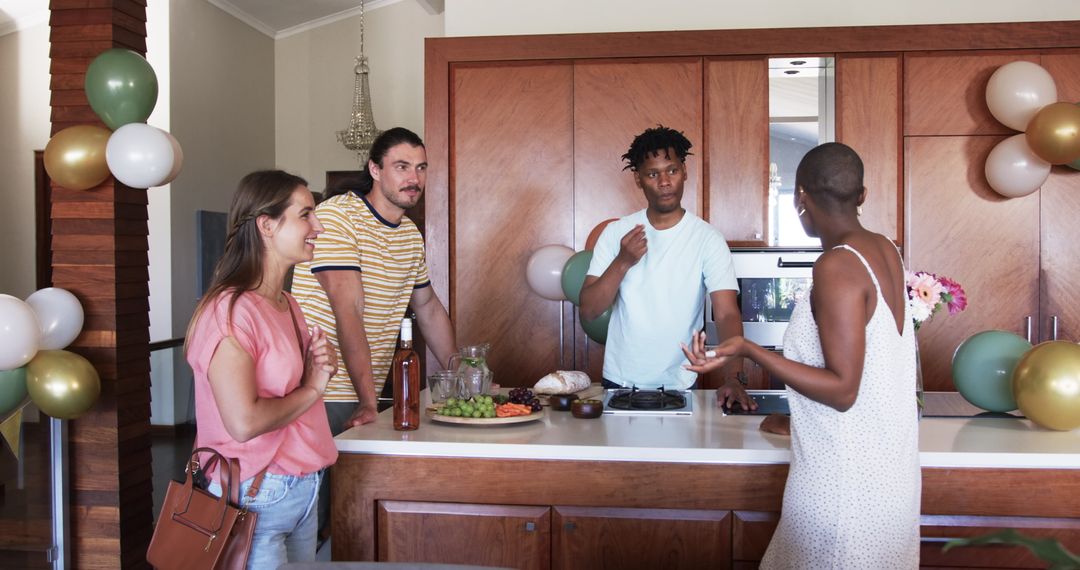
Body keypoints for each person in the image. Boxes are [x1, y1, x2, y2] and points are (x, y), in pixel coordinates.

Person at [682, 142, 920, 569]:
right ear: (862, 195)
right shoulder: (885, 250)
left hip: (843, 492)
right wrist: (798, 421)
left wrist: (749, 348)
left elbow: (844, 389)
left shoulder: (836, 266)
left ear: (800, 199)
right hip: (890, 482)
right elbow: (872, 381)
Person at [186, 170, 339, 568]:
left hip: (302, 489)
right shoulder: (230, 311)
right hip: (258, 494)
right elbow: (243, 421)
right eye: (306, 215)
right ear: (267, 225)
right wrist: (312, 387)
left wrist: (319, 366)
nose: (317, 227)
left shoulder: (288, 304)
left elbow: (296, 382)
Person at [292, 127, 457, 434]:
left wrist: (461, 376)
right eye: (402, 167)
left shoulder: (409, 234)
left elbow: (429, 308)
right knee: (321, 483)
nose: (414, 179)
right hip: (322, 391)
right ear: (375, 169)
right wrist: (368, 402)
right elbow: (348, 309)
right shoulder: (337, 218)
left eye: (421, 168)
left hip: (365, 392)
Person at [580, 125, 754, 409]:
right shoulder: (616, 233)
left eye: (671, 170)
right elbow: (589, 310)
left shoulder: (707, 238)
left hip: (680, 384)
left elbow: (726, 313)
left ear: (684, 171)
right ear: (638, 179)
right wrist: (623, 261)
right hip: (620, 382)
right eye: (652, 174)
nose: (664, 181)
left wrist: (734, 377)